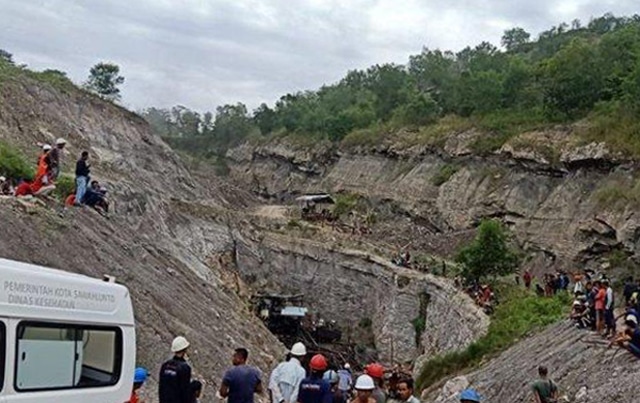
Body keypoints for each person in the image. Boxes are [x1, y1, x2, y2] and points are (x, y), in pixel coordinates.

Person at [159, 336, 192, 403]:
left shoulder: (165, 365)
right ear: (184, 350)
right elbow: (185, 391)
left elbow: (161, 388)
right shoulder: (185, 368)